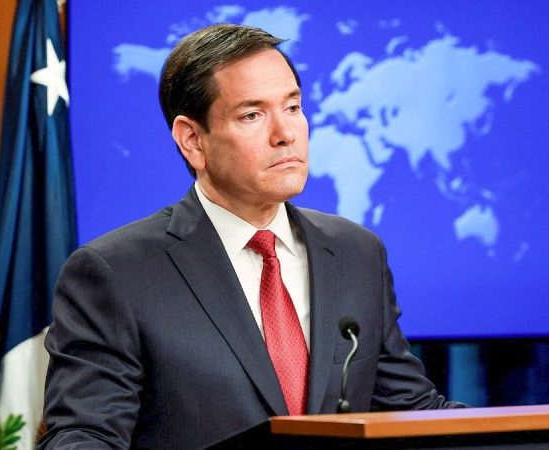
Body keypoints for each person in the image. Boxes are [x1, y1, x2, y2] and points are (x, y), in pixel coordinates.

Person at [38, 23, 463, 450]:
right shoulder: (116, 273)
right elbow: (86, 435)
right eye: (252, 115)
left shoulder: (356, 252)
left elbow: (410, 411)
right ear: (192, 140)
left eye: (293, 107)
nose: (285, 134)